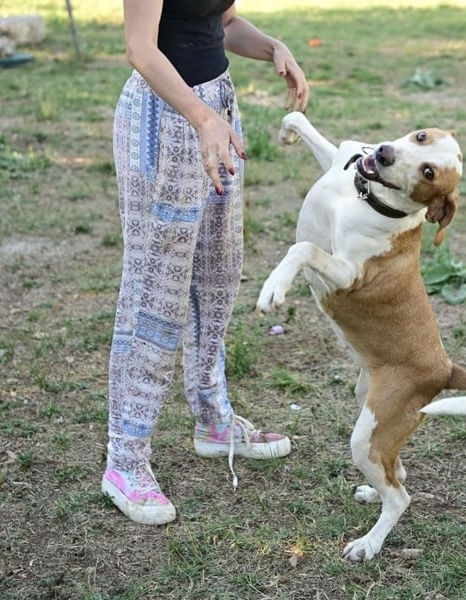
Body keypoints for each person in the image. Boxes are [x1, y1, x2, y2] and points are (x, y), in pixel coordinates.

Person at [101, 0, 310, 526]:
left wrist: (272, 48)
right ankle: (125, 458)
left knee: (217, 275)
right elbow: (140, 49)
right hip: (164, 121)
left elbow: (224, 22)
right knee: (156, 291)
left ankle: (213, 419)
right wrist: (201, 117)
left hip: (216, 113)